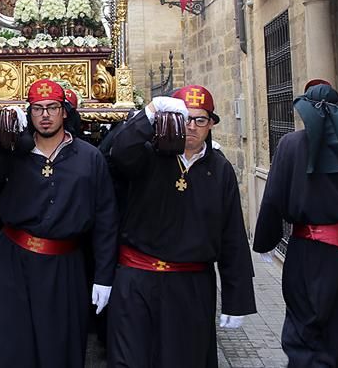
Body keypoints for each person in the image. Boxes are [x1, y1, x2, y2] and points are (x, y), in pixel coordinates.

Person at [0, 79, 117, 368]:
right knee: (8, 345)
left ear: (64, 112)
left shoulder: (89, 157)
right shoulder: (11, 152)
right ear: (29, 114)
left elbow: (106, 220)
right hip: (12, 262)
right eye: (37, 109)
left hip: (64, 266)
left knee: (58, 346)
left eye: (52, 108)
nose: (45, 115)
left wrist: (104, 276)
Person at [104, 85, 256, 368]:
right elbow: (118, 150)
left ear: (211, 124)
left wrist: (237, 300)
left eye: (200, 119)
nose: (192, 126)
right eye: (184, 118)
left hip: (191, 286)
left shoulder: (220, 169)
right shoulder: (147, 156)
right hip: (137, 279)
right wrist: (148, 113)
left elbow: (232, 236)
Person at [254, 80, 338, 368]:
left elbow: (273, 198)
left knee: (305, 329)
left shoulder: (290, 144)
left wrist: (265, 242)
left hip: (307, 252)